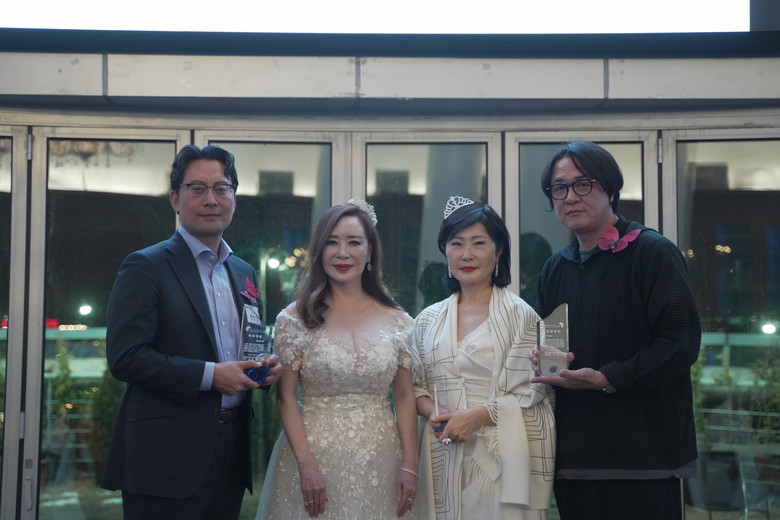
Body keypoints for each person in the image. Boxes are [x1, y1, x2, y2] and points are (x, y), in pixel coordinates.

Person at [100, 144, 282, 520]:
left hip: (232, 454)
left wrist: (264, 367)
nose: (211, 199)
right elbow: (126, 357)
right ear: (175, 199)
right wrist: (211, 375)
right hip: (164, 458)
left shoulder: (243, 271)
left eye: (222, 188)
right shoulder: (146, 265)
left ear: (234, 197)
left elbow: (247, 343)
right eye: (197, 188)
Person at [529, 141, 701, 520]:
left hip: (644, 456)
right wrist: (541, 359)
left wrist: (609, 377)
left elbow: (681, 343)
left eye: (582, 184)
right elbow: (549, 343)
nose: (570, 197)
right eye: (559, 188)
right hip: (574, 458)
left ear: (610, 188)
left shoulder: (652, 252)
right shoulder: (556, 267)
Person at [257, 200, 419, 520]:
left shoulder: (398, 321)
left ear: (370, 251)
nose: (342, 253)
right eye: (332, 242)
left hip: (382, 457)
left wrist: (410, 465)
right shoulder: (294, 319)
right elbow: (286, 397)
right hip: (312, 456)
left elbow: (404, 396)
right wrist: (306, 466)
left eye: (354, 242)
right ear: (319, 251)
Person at [412, 196, 556, 520]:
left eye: (479, 243)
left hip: (499, 458)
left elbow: (537, 394)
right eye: (456, 243)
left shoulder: (522, 316)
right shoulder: (427, 320)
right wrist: (439, 415)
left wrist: (476, 416)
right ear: (445, 250)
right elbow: (415, 387)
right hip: (441, 449)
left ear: (499, 250)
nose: (467, 254)